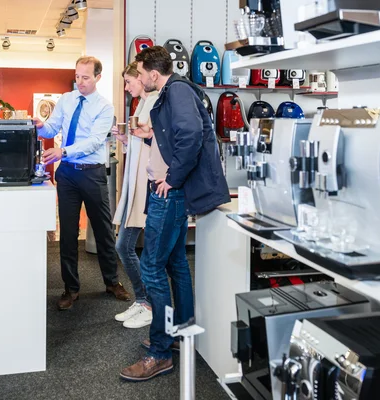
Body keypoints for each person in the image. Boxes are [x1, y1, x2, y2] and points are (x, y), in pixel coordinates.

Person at [120, 46, 230, 381]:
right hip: (168, 192)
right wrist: (149, 139)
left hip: (169, 194)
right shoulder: (171, 93)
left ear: (153, 74)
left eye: (139, 74)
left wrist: (173, 178)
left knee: (152, 268)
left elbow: (193, 135)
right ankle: (181, 332)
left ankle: (160, 351)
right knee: (176, 263)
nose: (137, 80)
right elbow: (173, 139)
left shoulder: (177, 90)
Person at [35, 56, 130, 310]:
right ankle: (71, 288)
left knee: (103, 230)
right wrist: (40, 126)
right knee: (67, 233)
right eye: (77, 76)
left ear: (98, 77)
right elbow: (52, 128)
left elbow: (95, 141)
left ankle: (112, 282)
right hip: (67, 174)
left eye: (86, 77)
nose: (80, 82)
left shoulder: (104, 106)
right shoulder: (66, 100)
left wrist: (63, 151)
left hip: (92, 174)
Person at [111, 62, 158, 329]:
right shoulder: (142, 104)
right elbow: (142, 142)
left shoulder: (153, 103)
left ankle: (147, 303)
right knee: (126, 246)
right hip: (136, 183)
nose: (128, 87)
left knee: (127, 246)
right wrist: (127, 139)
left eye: (130, 81)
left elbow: (154, 143)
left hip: (146, 184)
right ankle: (143, 300)